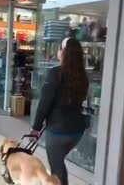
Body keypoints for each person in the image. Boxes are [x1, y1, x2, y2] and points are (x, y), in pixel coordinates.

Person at [30, 37, 89, 185]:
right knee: (59, 163)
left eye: (59, 49)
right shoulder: (83, 76)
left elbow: (44, 104)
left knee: (56, 170)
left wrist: (35, 128)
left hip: (57, 132)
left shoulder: (55, 73)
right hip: (76, 132)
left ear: (63, 53)